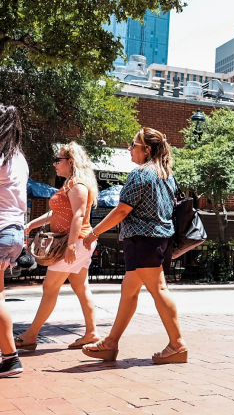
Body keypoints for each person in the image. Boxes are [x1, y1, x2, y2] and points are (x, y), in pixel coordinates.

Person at [82, 127, 187, 364]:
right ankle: (110, 343)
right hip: (158, 240)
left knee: (159, 291)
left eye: (133, 145)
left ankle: (177, 344)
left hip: (143, 241)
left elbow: (121, 210)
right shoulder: (166, 174)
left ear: (146, 149)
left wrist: (94, 232)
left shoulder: (141, 174)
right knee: (129, 293)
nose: (129, 149)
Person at [15, 142, 101, 351]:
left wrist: (71, 245)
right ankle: (91, 332)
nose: (54, 164)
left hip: (74, 242)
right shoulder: (69, 185)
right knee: (81, 287)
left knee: (50, 287)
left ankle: (31, 335)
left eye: (58, 160)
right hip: (77, 242)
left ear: (70, 162)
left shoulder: (77, 185)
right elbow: (58, 214)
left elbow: (79, 216)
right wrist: (30, 225)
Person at [0, 105, 27, 377]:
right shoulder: (17, 157)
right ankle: (8, 357)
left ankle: (10, 358)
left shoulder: (2, 158)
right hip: (13, 232)